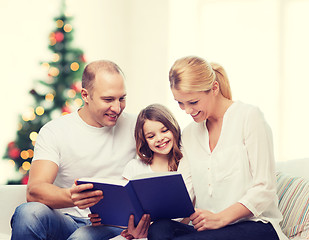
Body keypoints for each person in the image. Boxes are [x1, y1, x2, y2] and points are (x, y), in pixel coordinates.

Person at [147, 56, 288, 240]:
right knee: (159, 229)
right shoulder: (189, 134)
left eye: (193, 102)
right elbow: (185, 192)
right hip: (211, 231)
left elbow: (265, 188)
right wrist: (146, 220)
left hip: (256, 226)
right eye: (180, 103)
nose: (187, 110)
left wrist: (220, 218)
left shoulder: (249, 118)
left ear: (214, 88)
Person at [10, 60, 142, 240]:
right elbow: (35, 190)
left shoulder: (137, 126)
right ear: (86, 95)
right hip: (66, 220)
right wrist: (71, 197)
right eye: (108, 99)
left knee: (81, 238)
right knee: (28, 213)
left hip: (113, 226)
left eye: (122, 98)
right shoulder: (55, 131)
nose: (117, 108)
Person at [89, 103, 191, 240]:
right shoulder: (134, 167)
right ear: (144, 140)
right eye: (151, 136)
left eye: (165, 130)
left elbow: (185, 215)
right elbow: (124, 210)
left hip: (173, 232)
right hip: (137, 233)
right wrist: (103, 219)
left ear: (173, 128)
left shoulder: (186, 164)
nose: (159, 139)